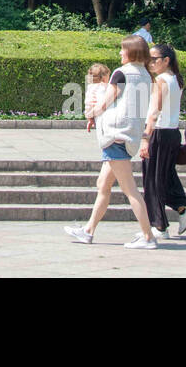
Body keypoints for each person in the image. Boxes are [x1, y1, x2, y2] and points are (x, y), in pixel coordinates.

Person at [64, 36, 158, 249]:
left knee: (130, 189)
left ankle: (148, 237)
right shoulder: (145, 75)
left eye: (122, 50)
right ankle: (88, 230)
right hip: (128, 135)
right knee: (103, 184)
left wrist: (92, 113)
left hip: (116, 135)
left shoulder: (121, 73)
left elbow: (107, 100)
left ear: (131, 52)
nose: (120, 53)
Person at [140, 43, 186, 239]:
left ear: (166, 60)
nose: (150, 63)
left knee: (152, 180)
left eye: (154, 59)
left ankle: (159, 226)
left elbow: (154, 112)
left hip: (158, 133)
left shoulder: (160, 81)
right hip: (172, 133)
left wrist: (145, 138)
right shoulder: (176, 79)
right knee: (165, 178)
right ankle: (184, 207)